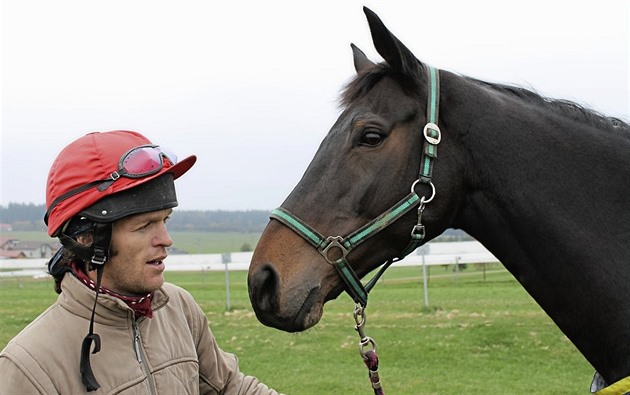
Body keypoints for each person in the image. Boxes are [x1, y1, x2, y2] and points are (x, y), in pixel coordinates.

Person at [0, 130, 283, 394]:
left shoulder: (178, 308)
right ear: (88, 238)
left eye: (165, 221)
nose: (166, 239)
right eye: (145, 225)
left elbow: (230, 388)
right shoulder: (27, 366)